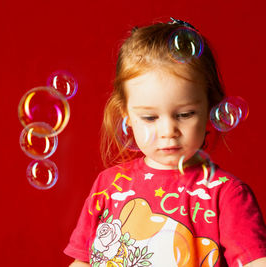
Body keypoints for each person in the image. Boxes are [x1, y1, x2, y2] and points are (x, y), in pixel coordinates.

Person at [64, 18, 266, 267]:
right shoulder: (108, 185)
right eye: (149, 117)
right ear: (126, 115)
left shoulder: (226, 194)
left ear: (211, 109)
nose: (168, 130)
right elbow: (82, 262)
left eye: (185, 114)